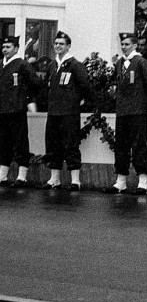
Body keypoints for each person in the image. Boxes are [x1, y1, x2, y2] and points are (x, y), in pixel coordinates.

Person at [105, 32, 147, 195]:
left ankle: (143, 181)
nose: (124, 47)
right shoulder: (121, 62)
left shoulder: (141, 62)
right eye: (122, 44)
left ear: (135, 45)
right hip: (123, 111)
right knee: (121, 145)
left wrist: (140, 98)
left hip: (137, 111)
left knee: (138, 145)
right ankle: (121, 181)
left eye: (127, 44)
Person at [43, 31, 93, 190]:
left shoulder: (75, 65)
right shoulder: (52, 65)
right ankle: (54, 179)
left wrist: (80, 103)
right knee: (53, 146)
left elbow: (85, 86)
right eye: (56, 43)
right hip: (53, 112)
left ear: (68, 46)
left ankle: (75, 181)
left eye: (61, 44)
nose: (58, 46)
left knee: (71, 145)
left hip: (69, 112)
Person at [0, 36, 38, 187]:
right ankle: (2, 175)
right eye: (3, 47)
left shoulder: (22, 64)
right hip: (3, 111)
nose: (5, 50)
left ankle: (22, 176)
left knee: (20, 142)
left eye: (8, 47)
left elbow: (35, 82)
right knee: (3, 143)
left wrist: (26, 98)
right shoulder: (1, 64)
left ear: (16, 48)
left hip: (17, 110)